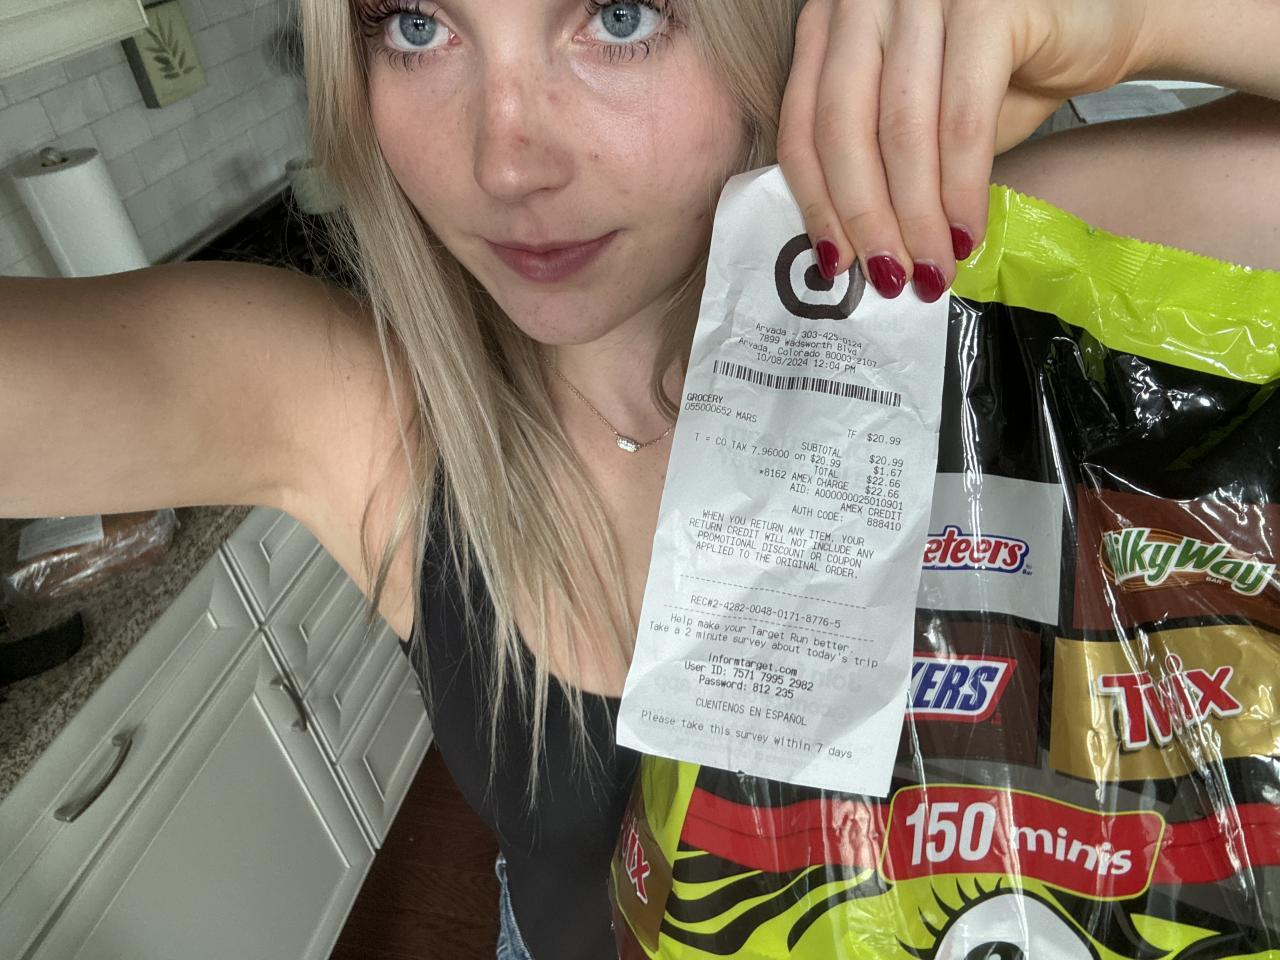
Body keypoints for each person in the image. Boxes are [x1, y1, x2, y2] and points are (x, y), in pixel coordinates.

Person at [2, 0, 1277, 956]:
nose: (505, 161)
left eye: (618, 15)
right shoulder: (359, 414)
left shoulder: (985, 270)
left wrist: (1128, 16)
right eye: (415, 24)